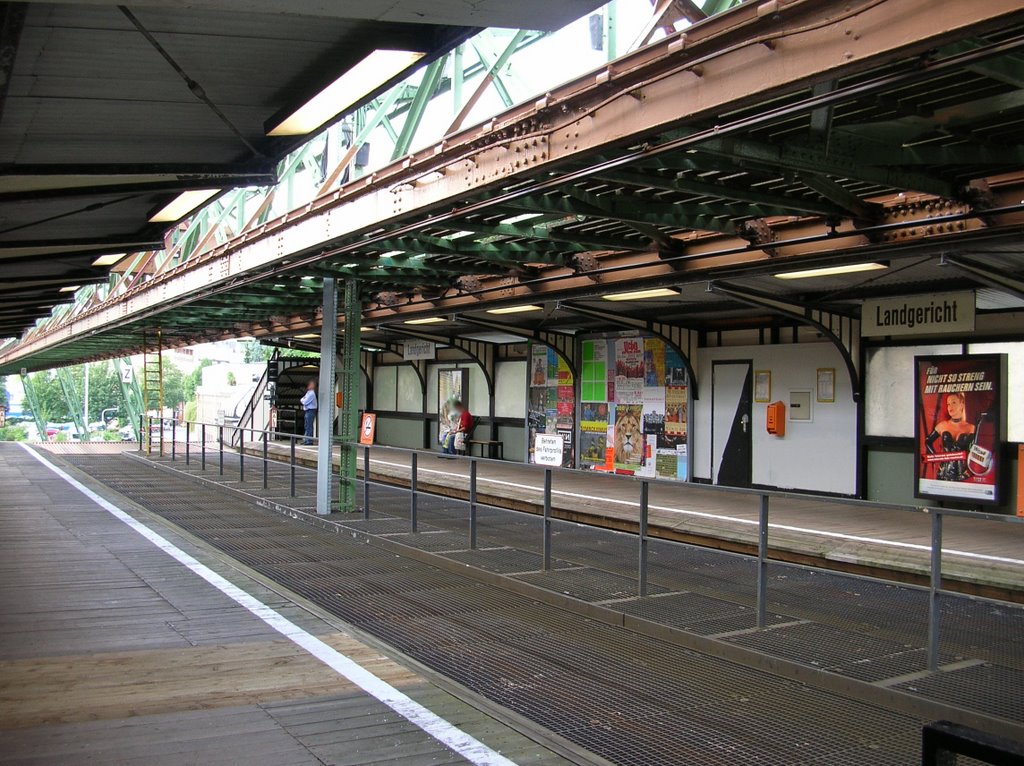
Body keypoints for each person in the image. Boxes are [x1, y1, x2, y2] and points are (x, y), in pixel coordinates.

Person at [925, 391, 976, 481]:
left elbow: (975, 450)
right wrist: (936, 459)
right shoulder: (942, 425)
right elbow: (928, 441)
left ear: (962, 404)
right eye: (948, 404)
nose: (950, 407)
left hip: (962, 475)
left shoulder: (971, 428)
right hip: (943, 473)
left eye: (953, 402)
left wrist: (971, 469)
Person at [300, 379, 317, 445]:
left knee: (309, 426)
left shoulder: (311, 394)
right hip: (308, 411)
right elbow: (302, 399)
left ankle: (309, 441)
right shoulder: (308, 393)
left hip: (310, 410)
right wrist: (303, 400)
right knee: (307, 425)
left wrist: (303, 400)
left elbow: (304, 401)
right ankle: (306, 440)